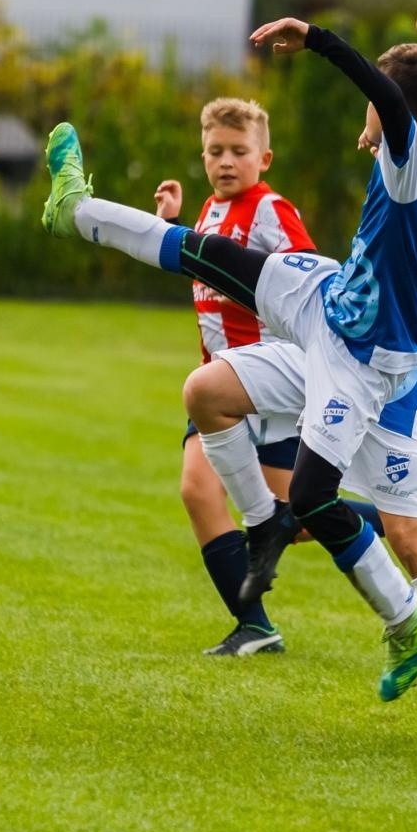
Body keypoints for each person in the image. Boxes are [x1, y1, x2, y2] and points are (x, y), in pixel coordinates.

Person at [39, 7, 417, 702]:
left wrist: (318, 41)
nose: (368, 115)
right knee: (199, 261)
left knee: (312, 500)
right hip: (328, 299)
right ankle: (76, 210)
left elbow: (393, 100)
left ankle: (404, 619)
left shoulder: (412, 164)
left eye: (377, 105)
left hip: (355, 354)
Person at [186, 165, 417, 742]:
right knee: (215, 400)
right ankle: (267, 525)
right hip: (338, 358)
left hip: (400, 391)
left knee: (406, 534)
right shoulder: (401, 179)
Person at [156, 97, 313, 658]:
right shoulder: (208, 210)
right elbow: (203, 268)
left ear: (263, 158)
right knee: (197, 490)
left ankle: (397, 523)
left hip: (266, 387)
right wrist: (173, 227)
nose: (226, 161)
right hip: (216, 387)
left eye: (239, 151)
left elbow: (308, 281)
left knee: (296, 518)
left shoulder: (270, 209)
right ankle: (254, 626)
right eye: (215, 151)